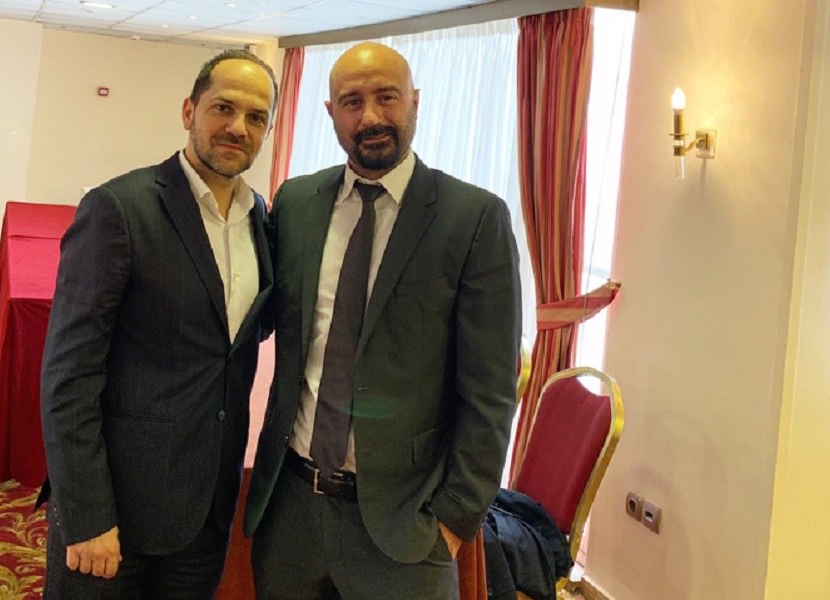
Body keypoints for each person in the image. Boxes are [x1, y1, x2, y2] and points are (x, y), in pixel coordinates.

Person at [244, 42, 522, 600]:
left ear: (415, 100)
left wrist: (454, 518)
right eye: (352, 102)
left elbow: (490, 391)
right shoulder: (296, 202)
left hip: (404, 527)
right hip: (290, 512)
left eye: (386, 97)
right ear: (330, 113)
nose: (370, 116)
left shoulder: (473, 219)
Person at [37, 49, 277, 599]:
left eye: (256, 117)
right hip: (116, 513)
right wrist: (86, 513)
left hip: (207, 512)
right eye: (223, 107)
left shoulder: (260, 217)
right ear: (189, 110)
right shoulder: (118, 209)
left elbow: (238, 340)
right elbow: (68, 377)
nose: (237, 127)